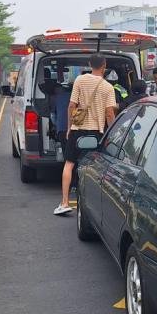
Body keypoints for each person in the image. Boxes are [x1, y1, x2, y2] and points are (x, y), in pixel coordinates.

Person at [55, 54, 117, 216]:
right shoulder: (107, 87)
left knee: (69, 164)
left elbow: (71, 106)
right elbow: (109, 113)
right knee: (94, 168)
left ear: (89, 64)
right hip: (97, 132)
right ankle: (94, 204)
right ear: (104, 65)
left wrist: (69, 128)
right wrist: (113, 134)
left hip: (78, 130)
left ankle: (65, 202)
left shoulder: (80, 81)